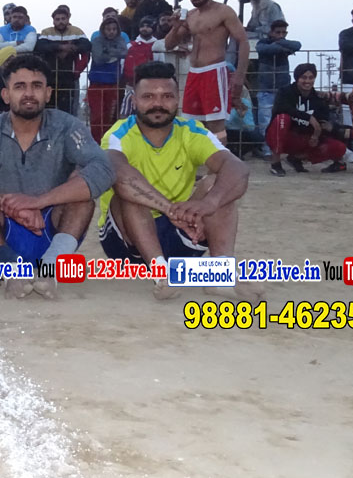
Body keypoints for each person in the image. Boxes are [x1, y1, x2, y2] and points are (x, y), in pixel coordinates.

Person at [0, 53, 113, 297]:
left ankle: (49, 270)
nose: (29, 93)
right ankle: (8, 267)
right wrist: (9, 204)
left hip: (51, 229)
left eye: (37, 86)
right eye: (20, 86)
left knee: (82, 196)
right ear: (6, 94)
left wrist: (38, 202)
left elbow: (103, 169)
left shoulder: (66, 126)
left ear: (48, 93)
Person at [98, 61, 255, 300]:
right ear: (134, 100)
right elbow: (117, 173)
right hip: (127, 245)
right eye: (148, 96)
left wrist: (209, 203)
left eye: (167, 96)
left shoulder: (192, 131)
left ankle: (220, 275)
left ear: (177, 99)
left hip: (182, 232)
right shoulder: (118, 134)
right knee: (127, 193)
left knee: (217, 183)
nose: (158, 104)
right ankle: (161, 275)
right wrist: (171, 210)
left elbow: (238, 169)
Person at [164, 0, 249, 143]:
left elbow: (243, 42)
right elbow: (168, 44)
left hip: (214, 71)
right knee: (192, 125)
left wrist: (239, 76)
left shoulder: (223, 11)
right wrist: (175, 27)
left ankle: (220, 159)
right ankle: (198, 158)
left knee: (216, 126)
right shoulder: (191, 15)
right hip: (194, 73)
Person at [266, 63, 348, 176]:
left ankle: (296, 158)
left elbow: (323, 121)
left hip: (305, 137)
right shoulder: (285, 92)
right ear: (297, 78)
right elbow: (280, 109)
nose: (307, 81)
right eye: (303, 77)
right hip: (284, 135)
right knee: (282, 118)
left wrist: (317, 135)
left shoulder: (318, 98)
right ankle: (275, 163)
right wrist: (308, 118)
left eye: (311, 77)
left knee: (339, 147)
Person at [255, 20, 301, 156]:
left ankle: (281, 148)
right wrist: (283, 47)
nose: (281, 35)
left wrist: (279, 44)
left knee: (284, 121)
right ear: (271, 32)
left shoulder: (282, 43)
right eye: (278, 32)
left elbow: (298, 45)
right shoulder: (262, 43)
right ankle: (268, 150)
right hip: (266, 89)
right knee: (265, 122)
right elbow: (263, 49)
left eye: (283, 33)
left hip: (283, 90)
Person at [35, 5, 91, 116]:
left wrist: (72, 49)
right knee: (48, 108)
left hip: (68, 76)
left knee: (66, 110)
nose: (60, 21)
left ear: (68, 19)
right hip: (49, 75)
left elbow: (87, 45)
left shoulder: (76, 31)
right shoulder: (47, 32)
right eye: (57, 19)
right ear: (53, 21)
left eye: (63, 19)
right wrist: (61, 47)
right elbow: (40, 46)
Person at [87, 14, 129, 142]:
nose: (111, 32)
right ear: (103, 30)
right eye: (108, 29)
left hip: (113, 82)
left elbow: (124, 53)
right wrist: (114, 52)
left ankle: (107, 141)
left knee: (110, 115)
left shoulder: (120, 40)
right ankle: (96, 141)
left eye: (114, 29)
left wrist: (107, 50)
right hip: (97, 82)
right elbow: (98, 58)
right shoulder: (97, 41)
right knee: (97, 115)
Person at [120, 16, 158, 115]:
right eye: (142, 26)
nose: (144, 29)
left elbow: (160, 63)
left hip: (151, 85)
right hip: (131, 84)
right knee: (130, 109)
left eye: (148, 26)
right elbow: (122, 64)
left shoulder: (157, 46)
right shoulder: (130, 46)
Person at [224, 85, 265, 160]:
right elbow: (223, 125)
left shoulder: (245, 103)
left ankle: (237, 154)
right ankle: (230, 152)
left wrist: (241, 117)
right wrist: (234, 113)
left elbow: (251, 127)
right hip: (227, 131)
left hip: (241, 131)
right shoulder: (224, 104)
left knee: (258, 138)